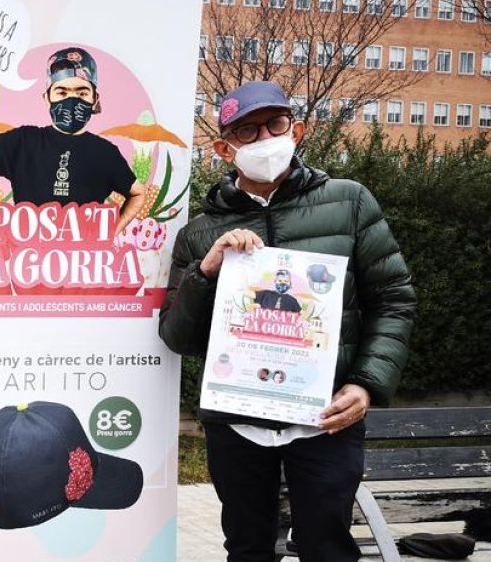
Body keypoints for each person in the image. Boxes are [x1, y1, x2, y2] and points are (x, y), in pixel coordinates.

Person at [159, 81, 415, 562]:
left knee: (329, 548)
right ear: (223, 148)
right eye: (246, 130)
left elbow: (394, 300)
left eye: (274, 124)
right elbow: (177, 337)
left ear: (297, 129)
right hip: (237, 424)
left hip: (326, 420)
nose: (263, 139)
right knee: (248, 548)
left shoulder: (350, 201)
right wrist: (205, 272)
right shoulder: (198, 233)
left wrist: (365, 385)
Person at [0, 44, 146, 237]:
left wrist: (108, 236)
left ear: (94, 99)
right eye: (61, 92)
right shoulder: (24, 142)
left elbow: (137, 193)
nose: (72, 100)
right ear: (46, 98)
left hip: (82, 274)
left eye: (82, 93)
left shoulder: (105, 153)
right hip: (28, 270)